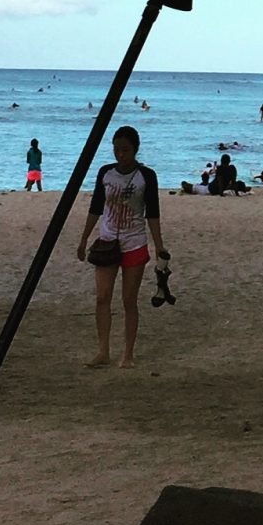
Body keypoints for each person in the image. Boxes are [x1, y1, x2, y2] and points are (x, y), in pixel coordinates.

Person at [72, 125, 164, 369]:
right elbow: (96, 208)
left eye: (125, 150)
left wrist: (159, 247)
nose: (120, 155)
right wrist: (83, 239)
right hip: (107, 241)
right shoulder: (106, 173)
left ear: (135, 150)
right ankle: (103, 350)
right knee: (102, 297)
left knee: (128, 299)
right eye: (116, 150)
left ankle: (128, 354)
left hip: (134, 241)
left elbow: (152, 214)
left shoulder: (147, 176)